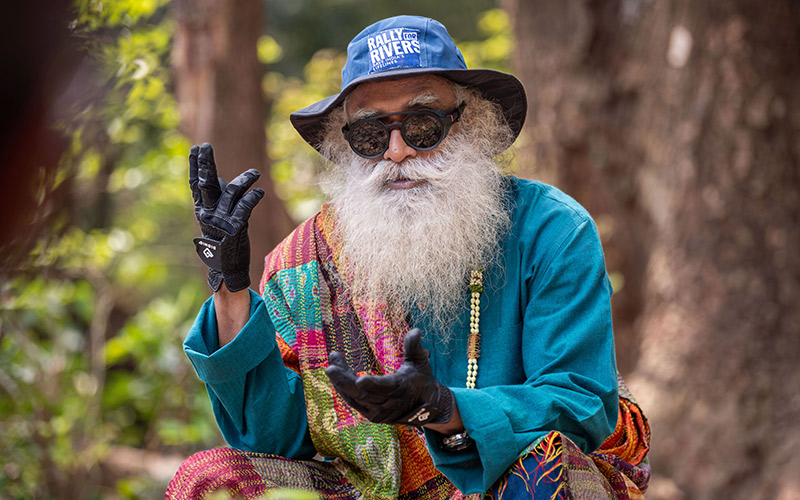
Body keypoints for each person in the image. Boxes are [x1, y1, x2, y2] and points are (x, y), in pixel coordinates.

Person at [167, 15, 650, 500]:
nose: (396, 152)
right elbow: (270, 437)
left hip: (508, 478)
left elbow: (579, 401)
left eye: (422, 125)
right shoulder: (305, 262)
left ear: (470, 121)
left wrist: (443, 408)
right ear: (346, 145)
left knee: (546, 467)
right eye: (371, 135)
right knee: (211, 480)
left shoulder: (552, 229)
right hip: (368, 490)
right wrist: (229, 286)